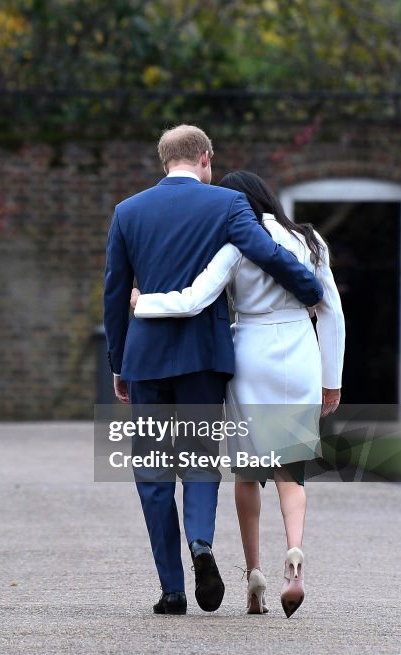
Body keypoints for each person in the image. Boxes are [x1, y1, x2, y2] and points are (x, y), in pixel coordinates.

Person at [103, 126, 324, 616]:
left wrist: (119, 362)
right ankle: (201, 544)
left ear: (165, 161)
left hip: (145, 356)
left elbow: (115, 293)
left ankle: (172, 590)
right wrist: (309, 289)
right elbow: (265, 252)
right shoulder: (225, 205)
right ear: (205, 158)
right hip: (202, 355)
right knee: (201, 459)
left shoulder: (127, 212)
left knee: (153, 472)